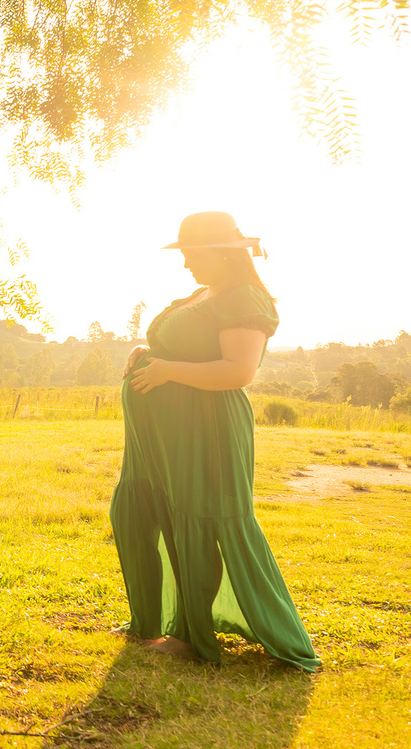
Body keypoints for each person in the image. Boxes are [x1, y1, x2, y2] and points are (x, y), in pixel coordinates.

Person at [109, 210, 320, 672]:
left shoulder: (245, 299)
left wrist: (167, 371)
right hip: (162, 437)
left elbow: (238, 371)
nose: (185, 264)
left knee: (199, 521)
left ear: (223, 254)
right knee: (159, 515)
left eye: (191, 254)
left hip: (206, 430)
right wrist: (149, 353)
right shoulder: (203, 293)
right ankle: (151, 621)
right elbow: (189, 344)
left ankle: (192, 636)